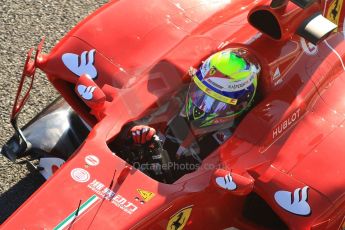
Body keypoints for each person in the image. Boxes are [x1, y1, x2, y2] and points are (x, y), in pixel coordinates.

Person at [120, 48, 260, 182]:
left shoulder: (231, 140)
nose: (200, 106)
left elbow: (189, 180)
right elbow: (129, 126)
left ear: (237, 106)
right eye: (199, 93)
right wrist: (134, 132)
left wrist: (156, 151)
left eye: (213, 103)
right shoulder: (178, 101)